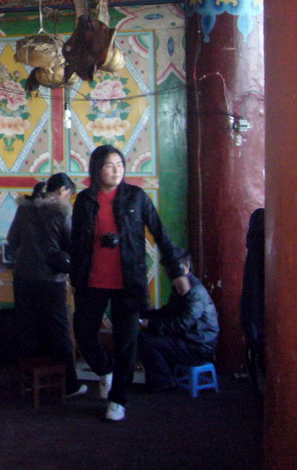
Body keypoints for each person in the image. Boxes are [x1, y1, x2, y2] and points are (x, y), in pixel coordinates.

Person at [70, 145, 189, 422]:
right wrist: (75, 273)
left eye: (120, 164)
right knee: (84, 333)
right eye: (110, 165)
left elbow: (161, 233)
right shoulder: (85, 201)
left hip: (128, 282)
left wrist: (177, 271)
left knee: (127, 342)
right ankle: (106, 370)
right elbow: (76, 243)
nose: (117, 170)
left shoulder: (136, 197)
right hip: (92, 281)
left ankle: (118, 399)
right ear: (96, 169)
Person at [7, 172, 87, 398]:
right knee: (59, 332)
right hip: (51, 281)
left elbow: (13, 240)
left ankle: (29, 383)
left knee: (27, 330)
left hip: (22, 279)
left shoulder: (24, 208)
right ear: (62, 191)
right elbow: (70, 245)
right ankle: (69, 385)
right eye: (69, 195)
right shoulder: (62, 212)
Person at [138, 254, 219, 392]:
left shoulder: (194, 292)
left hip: (199, 345)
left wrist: (151, 324)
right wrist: (143, 314)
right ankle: (166, 377)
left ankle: (163, 383)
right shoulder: (181, 287)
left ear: (187, 267)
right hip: (189, 338)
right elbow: (168, 312)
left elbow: (183, 324)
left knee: (147, 340)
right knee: (147, 334)